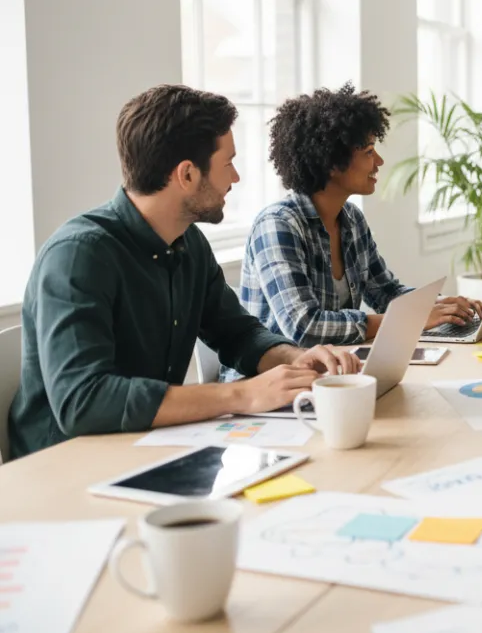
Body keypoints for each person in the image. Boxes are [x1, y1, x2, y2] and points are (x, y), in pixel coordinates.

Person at [8, 85, 360, 459]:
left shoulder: (188, 243)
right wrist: (242, 394)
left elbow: (236, 333)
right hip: (64, 468)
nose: (235, 178)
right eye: (228, 163)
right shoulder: (78, 256)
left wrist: (293, 359)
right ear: (187, 175)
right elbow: (83, 401)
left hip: (148, 447)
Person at [239, 84, 482, 348]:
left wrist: (440, 306)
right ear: (332, 162)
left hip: (334, 367)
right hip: (273, 378)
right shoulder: (278, 225)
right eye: (368, 151)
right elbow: (304, 327)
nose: (378, 161)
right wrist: (411, 318)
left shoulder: (351, 219)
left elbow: (387, 292)